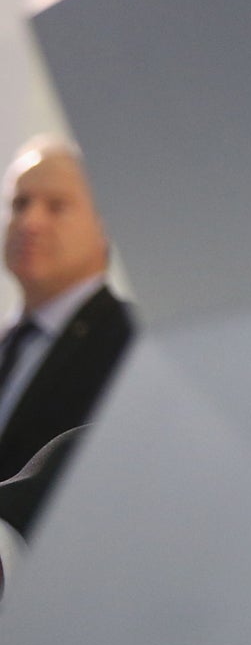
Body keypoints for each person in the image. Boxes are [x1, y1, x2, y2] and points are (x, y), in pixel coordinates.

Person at [0, 138, 133, 502]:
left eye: (56, 206)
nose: (30, 221)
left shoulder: (131, 344)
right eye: (19, 203)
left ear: (105, 224)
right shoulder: (7, 343)